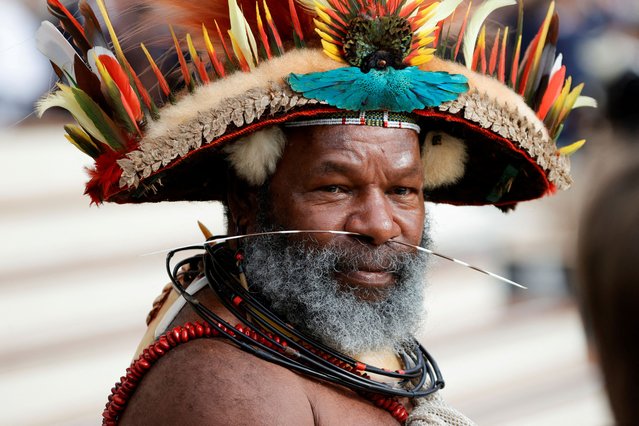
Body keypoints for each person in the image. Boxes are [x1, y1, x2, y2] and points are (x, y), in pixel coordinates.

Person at [35, 0, 591, 424]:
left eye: (403, 191)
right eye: (334, 188)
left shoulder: (320, 334)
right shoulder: (227, 392)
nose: (378, 226)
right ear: (249, 200)